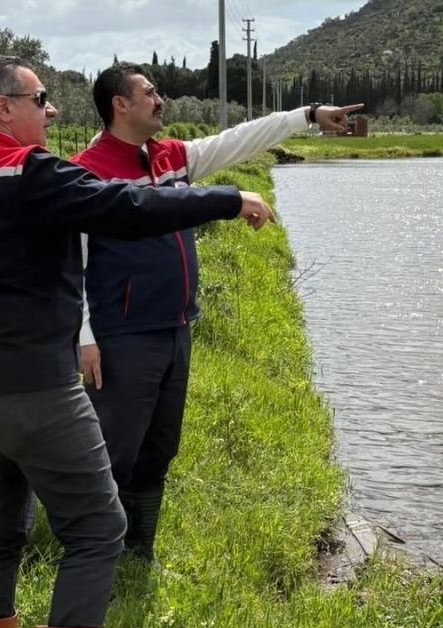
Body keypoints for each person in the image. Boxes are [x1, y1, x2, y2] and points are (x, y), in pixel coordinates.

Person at [0, 54, 274, 628]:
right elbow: (126, 206)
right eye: (41, 98)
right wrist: (228, 198)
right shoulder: (30, 173)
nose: (51, 111)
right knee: (99, 528)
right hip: (36, 390)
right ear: (3, 108)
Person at [70, 61, 360, 564]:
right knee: (115, 448)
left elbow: (240, 139)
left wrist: (308, 115)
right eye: (149, 92)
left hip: (176, 328)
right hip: (121, 335)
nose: (160, 100)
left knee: (159, 448)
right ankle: (93, 554)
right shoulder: (86, 172)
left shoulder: (172, 157)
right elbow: (70, 264)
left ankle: (139, 551)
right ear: (120, 104)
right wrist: (84, 335)